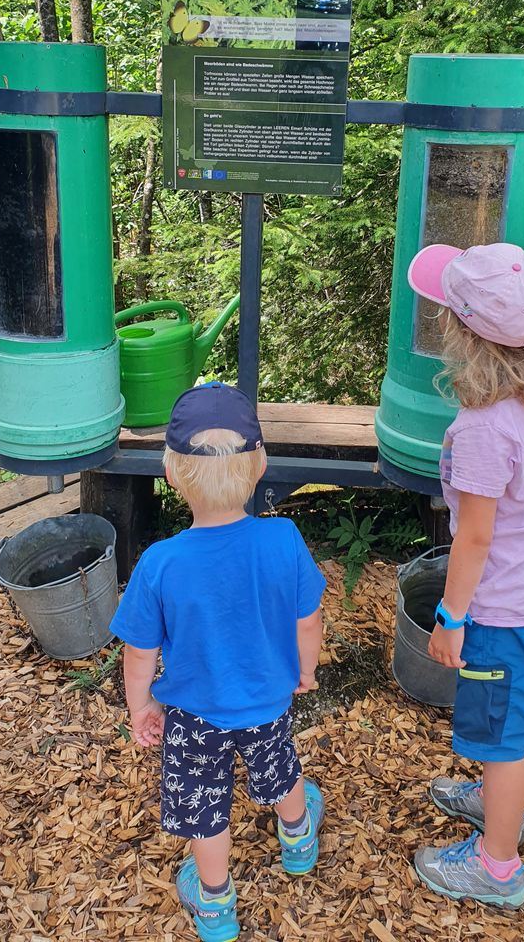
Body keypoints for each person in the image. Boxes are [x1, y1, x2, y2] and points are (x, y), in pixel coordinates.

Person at [110, 381, 326, 942]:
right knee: (279, 769)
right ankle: (298, 839)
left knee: (205, 809)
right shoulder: (284, 540)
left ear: (171, 473)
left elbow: (139, 651)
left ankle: (214, 904)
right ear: (259, 466)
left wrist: (141, 706)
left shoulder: (160, 563)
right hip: (267, 701)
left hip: (194, 715)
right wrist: (306, 669)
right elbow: (308, 620)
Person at [407, 242, 524, 910]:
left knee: (504, 740)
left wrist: (451, 618)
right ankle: (494, 799)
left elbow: (475, 537)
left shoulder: (485, 429)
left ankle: (498, 867)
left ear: (460, 334)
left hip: (507, 613)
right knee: (522, 710)